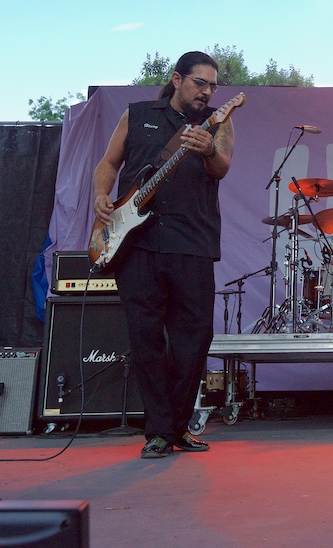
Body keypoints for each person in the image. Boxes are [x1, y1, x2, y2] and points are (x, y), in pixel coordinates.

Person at [92, 51, 235, 459]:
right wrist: (101, 196)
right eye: (199, 83)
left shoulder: (217, 122)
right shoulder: (136, 115)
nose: (206, 92)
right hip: (138, 245)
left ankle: (176, 425)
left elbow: (222, 167)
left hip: (192, 243)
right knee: (146, 339)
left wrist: (209, 148)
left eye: (212, 86)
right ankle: (158, 431)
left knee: (194, 339)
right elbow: (108, 162)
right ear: (177, 79)